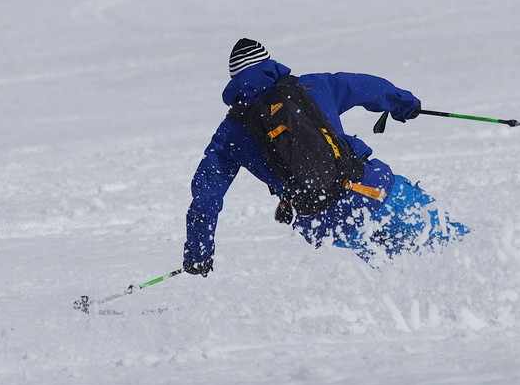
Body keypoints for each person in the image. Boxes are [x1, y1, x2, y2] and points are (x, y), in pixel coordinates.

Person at [183, 38, 470, 276]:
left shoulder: (231, 131)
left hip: (326, 227)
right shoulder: (314, 86)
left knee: (396, 279)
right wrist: (405, 105)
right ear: (271, 65)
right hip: (373, 192)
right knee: (458, 248)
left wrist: (199, 255)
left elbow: (206, 197)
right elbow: (370, 87)